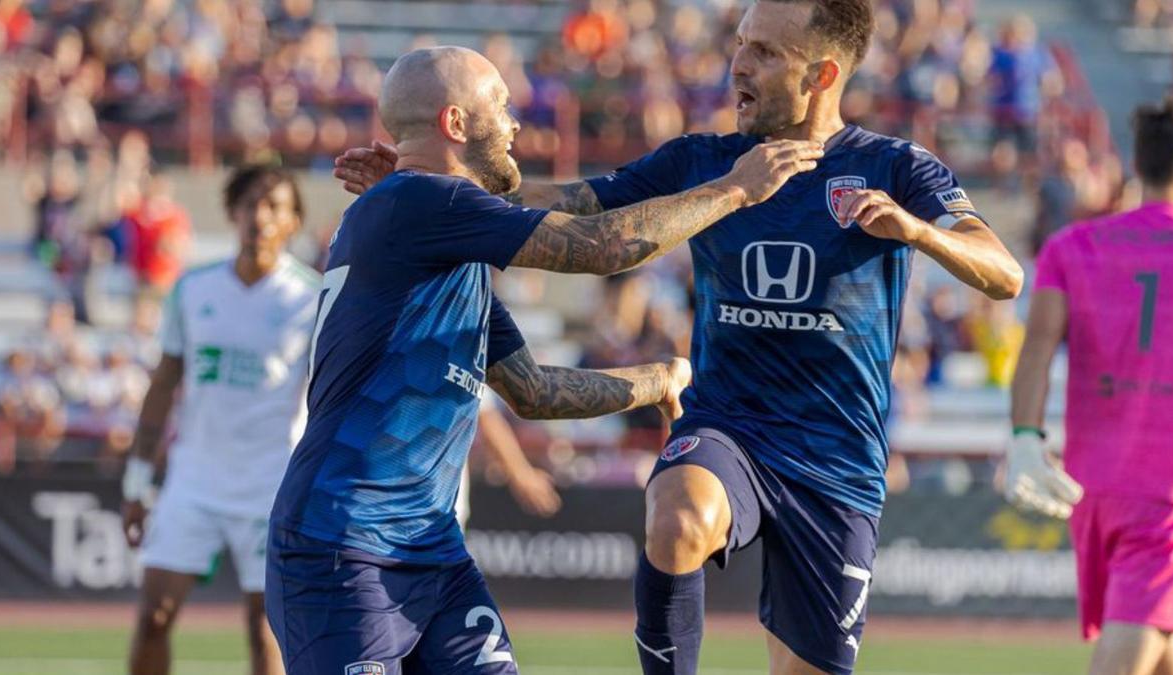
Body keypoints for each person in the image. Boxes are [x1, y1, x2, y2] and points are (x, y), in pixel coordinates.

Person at [335, 2, 1024, 673]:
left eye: (764, 52)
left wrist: (919, 232)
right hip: (730, 425)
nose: (738, 64)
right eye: (740, 43)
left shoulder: (896, 167)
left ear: (821, 76)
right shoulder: (705, 161)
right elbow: (574, 202)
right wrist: (424, 180)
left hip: (837, 458)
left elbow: (1004, 275)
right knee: (677, 515)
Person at [266, 45, 818, 675]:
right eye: (499, 107)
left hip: (433, 553)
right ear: (455, 124)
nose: (515, 124)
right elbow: (601, 247)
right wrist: (734, 190)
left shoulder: (439, 239)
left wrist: (655, 380)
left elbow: (533, 391)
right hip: (343, 548)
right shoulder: (420, 205)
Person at [119, 165, 322, 675]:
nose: (261, 216)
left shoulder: (312, 298)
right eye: (251, 202)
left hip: (272, 487)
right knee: (154, 618)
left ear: (293, 221)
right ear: (232, 211)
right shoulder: (193, 289)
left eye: (275, 205)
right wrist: (138, 480)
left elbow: (331, 398)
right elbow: (163, 384)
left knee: (265, 636)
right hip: (195, 480)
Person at [1007, 98, 1173, 675]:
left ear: (1137, 162)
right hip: (1167, 492)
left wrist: (1026, 436)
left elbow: (1036, 348)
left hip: (1094, 488)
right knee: (1134, 650)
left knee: (1160, 649)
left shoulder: (1072, 247)